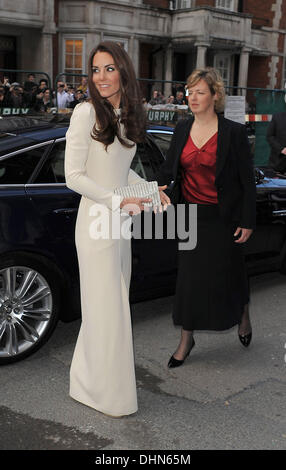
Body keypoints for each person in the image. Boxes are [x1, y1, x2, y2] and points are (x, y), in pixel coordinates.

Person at [65, 41, 166, 417]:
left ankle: (89, 383)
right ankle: (104, 393)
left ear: (123, 71)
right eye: (95, 69)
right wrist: (117, 201)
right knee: (106, 310)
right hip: (94, 225)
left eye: (109, 68)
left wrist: (149, 192)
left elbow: (121, 173)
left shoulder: (126, 115)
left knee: (111, 308)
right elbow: (74, 177)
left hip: (118, 224)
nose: (101, 76)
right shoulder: (85, 112)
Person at [156, 67, 256, 368]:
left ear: (215, 95)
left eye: (200, 92)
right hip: (189, 216)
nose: (193, 97)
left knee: (229, 275)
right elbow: (168, 171)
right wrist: (149, 189)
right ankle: (186, 340)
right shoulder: (182, 129)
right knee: (189, 282)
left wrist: (247, 220)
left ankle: (243, 314)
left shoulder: (234, 133)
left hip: (223, 218)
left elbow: (246, 182)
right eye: (190, 91)